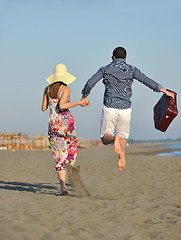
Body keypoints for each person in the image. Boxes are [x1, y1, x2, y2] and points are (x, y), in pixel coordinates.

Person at [81, 47, 174, 171]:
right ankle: (121, 151)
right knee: (123, 138)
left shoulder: (105, 69)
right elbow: (147, 80)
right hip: (125, 109)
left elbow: (90, 83)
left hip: (110, 107)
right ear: (125, 58)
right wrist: (162, 89)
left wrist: (84, 95)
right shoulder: (132, 70)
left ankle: (114, 139)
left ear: (113, 57)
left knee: (105, 138)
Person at [41, 63, 88, 195]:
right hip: (67, 125)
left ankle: (63, 188)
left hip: (54, 127)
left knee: (59, 158)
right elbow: (62, 105)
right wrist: (79, 103)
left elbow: (44, 108)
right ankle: (72, 170)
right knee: (72, 148)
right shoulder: (66, 89)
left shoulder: (47, 89)